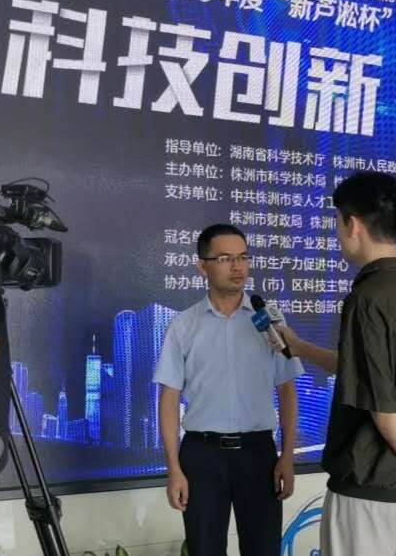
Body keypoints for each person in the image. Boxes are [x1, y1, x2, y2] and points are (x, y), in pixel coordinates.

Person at [274, 171, 396, 556]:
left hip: (369, 484)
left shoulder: (366, 297)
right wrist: (300, 347)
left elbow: (381, 401)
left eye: (337, 222)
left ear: (352, 224)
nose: (338, 233)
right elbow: (368, 370)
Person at [153, 224, 305, 556]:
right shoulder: (183, 325)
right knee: (205, 549)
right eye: (225, 259)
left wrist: (287, 456)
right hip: (202, 456)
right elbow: (169, 398)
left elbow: (287, 390)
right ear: (202, 266)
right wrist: (174, 468)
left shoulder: (269, 321)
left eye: (243, 257)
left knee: (263, 549)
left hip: (258, 454)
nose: (237, 267)